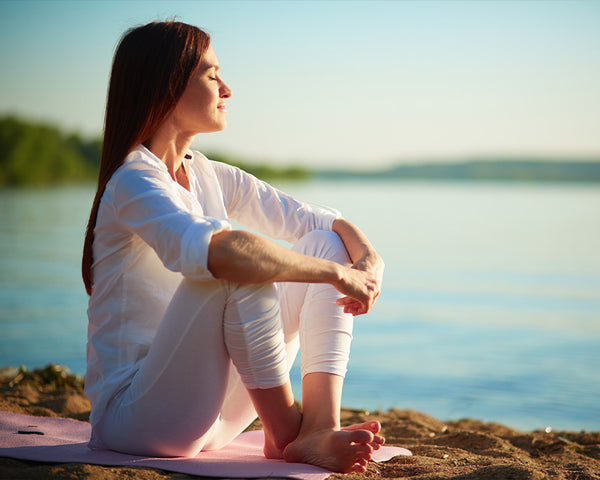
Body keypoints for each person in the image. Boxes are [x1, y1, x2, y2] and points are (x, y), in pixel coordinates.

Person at [81, 21, 385, 474]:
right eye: (211, 75)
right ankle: (285, 433)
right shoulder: (134, 180)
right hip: (137, 418)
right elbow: (222, 252)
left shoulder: (207, 173)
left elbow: (322, 222)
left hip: (215, 417)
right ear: (165, 86)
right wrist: (336, 275)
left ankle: (317, 427)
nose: (227, 88)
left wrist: (367, 259)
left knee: (322, 244)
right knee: (235, 264)